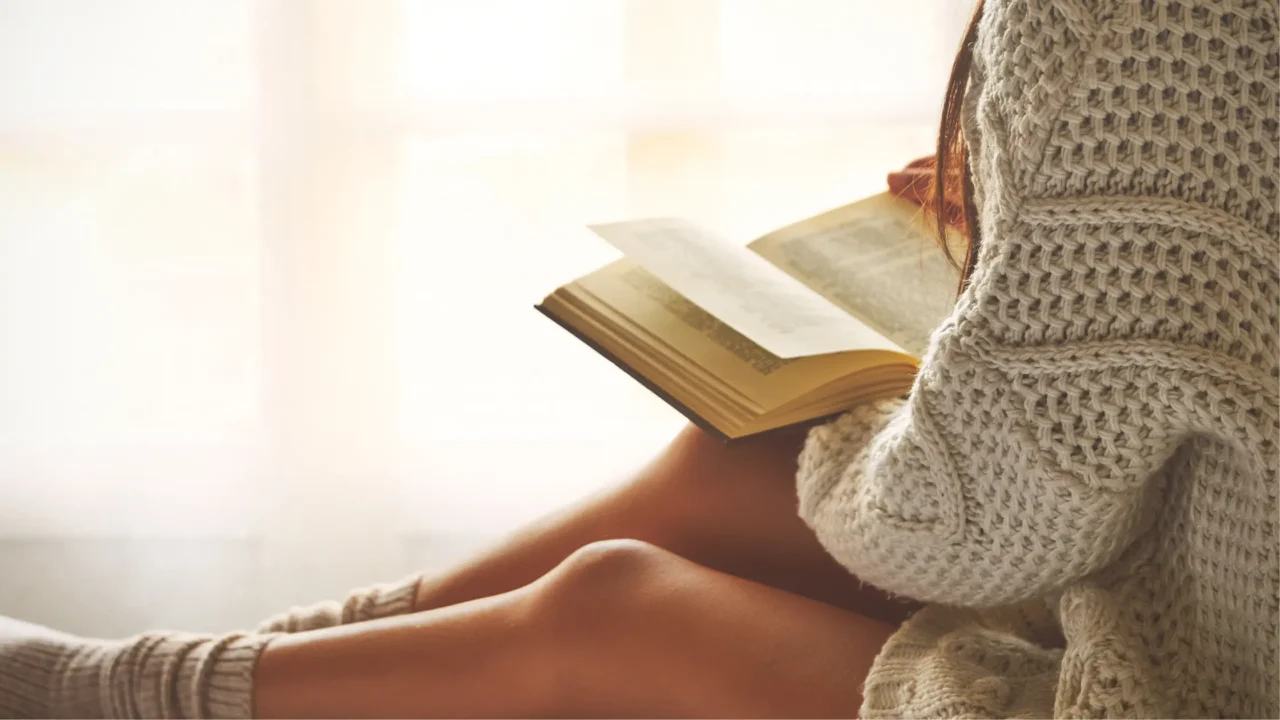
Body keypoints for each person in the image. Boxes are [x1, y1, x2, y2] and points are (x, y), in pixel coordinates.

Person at [3, 0, 1277, 716]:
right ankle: (220, 675)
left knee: (618, 606)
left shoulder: (1130, 29)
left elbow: (955, 530)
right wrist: (1035, 232)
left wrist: (850, 409)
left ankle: (145, 692)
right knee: (733, 476)